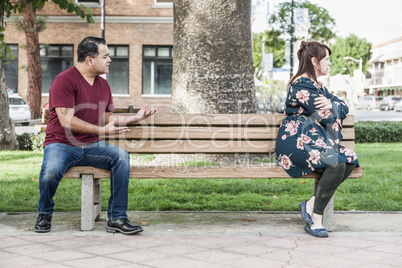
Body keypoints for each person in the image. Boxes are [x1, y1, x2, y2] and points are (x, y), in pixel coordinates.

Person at [34, 36, 157, 235]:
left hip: (90, 146)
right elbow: (67, 121)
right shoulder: (64, 80)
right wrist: (102, 131)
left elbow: (106, 117)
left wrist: (135, 117)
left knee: (121, 156)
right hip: (61, 144)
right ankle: (44, 213)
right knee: (50, 172)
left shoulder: (103, 85)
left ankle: (117, 218)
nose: (109, 60)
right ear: (90, 60)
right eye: (105, 56)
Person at [275, 41, 359, 238]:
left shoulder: (318, 86)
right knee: (337, 164)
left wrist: (332, 103)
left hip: (312, 139)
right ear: (314, 61)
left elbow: (342, 106)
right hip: (297, 141)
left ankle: (311, 204)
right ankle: (316, 219)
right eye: (327, 59)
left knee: (349, 159)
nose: (330, 63)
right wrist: (333, 107)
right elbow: (327, 117)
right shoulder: (301, 85)